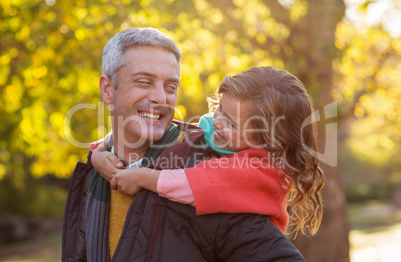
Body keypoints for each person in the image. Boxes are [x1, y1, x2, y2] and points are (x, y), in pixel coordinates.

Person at [62, 27, 309, 262]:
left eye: (171, 87)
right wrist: (98, 154)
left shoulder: (214, 176)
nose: (161, 97)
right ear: (107, 90)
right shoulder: (92, 177)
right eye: (144, 82)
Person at [91, 66, 324, 237]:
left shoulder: (262, 171)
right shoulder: (224, 137)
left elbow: (196, 184)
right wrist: (100, 151)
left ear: (268, 141)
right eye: (221, 108)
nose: (218, 121)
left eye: (231, 123)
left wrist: (142, 177)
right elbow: (158, 134)